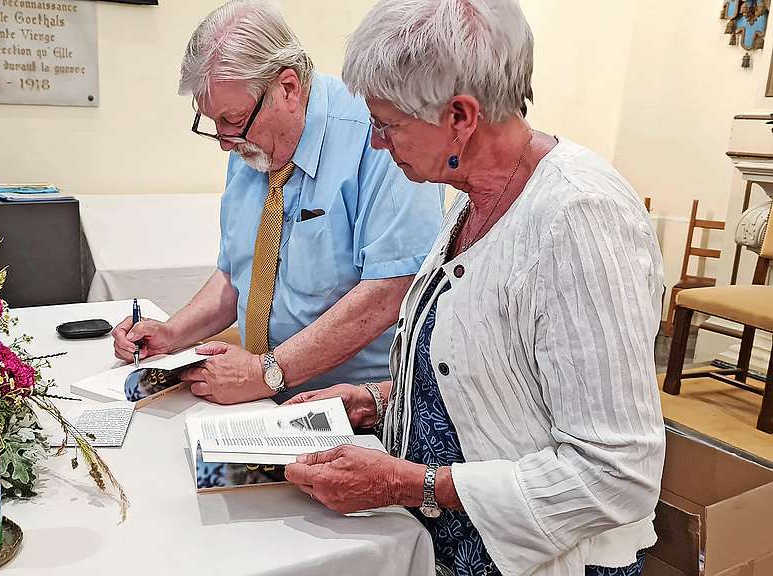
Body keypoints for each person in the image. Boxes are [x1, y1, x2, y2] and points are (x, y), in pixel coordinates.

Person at [283, 1, 665, 575]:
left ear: (461, 115)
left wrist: (403, 482)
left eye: (387, 125)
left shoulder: (579, 217)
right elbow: (496, 374)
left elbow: (616, 474)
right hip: (455, 542)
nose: (379, 146)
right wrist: (378, 401)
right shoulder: (472, 197)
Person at [111, 0, 444, 405]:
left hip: (354, 412)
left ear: (287, 88)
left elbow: (391, 289)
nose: (224, 143)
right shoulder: (251, 145)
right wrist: (171, 333)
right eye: (213, 123)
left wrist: (266, 371)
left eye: (232, 121)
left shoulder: (378, 136)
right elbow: (239, 275)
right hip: (264, 397)